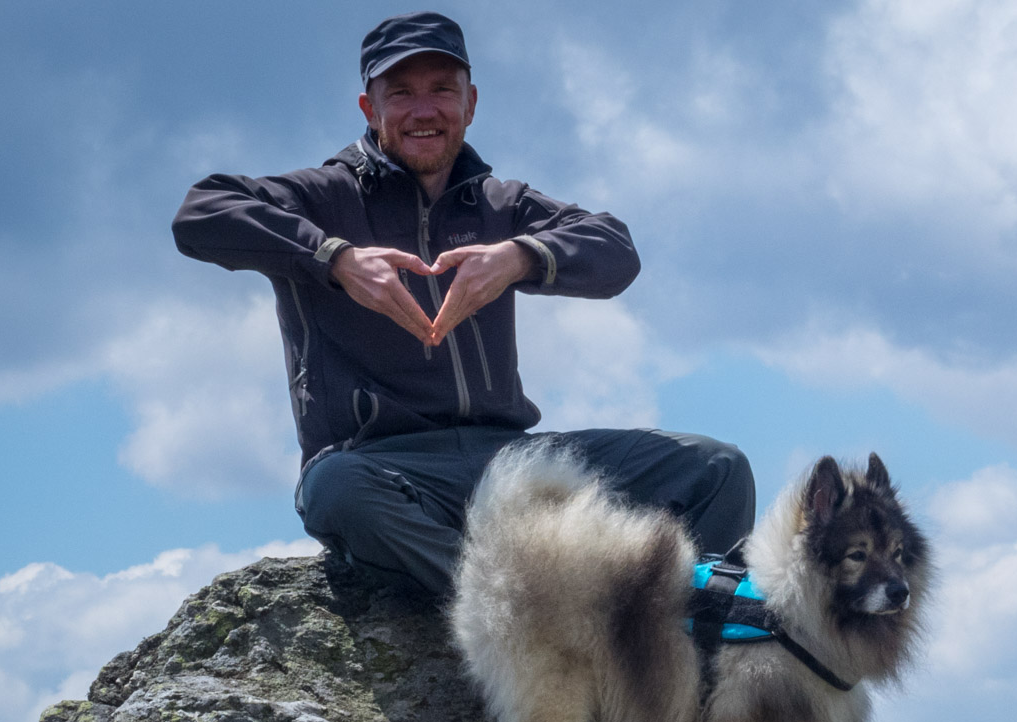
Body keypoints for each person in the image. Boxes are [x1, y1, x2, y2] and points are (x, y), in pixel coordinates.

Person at [172, 11, 754, 600]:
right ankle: (521, 609)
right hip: (386, 468)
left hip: (508, 461)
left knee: (716, 467)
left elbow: (616, 251)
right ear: (368, 109)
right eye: (400, 93)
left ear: (470, 104)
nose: (424, 110)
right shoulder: (322, 197)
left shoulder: (501, 204)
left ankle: (681, 630)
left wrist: (521, 256)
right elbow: (200, 212)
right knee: (335, 491)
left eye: (442, 90)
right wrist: (336, 258)